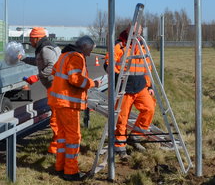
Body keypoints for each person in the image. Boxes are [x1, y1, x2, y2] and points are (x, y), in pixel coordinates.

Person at [49, 36, 99, 181]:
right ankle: (71, 171)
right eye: (90, 50)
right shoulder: (77, 57)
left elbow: (54, 72)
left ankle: (60, 167)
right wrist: (92, 83)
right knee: (73, 137)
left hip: (58, 101)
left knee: (63, 136)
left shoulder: (64, 55)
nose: (90, 53)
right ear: (84, 46)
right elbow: (75, 79)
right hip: (68, 104)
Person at [106, 25, 156, 156]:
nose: (136, 35)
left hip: (140, 86)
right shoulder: (118, 46)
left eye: (138, 33)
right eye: (133, 32)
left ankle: (135, 137)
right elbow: (109, 64)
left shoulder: (143, 46)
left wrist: (149, 86)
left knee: (149, 108)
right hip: (124, 88)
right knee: (122, 118)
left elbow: (147, 68)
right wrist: (118, 78)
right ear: (127, 31)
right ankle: (120, 147)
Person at [21, 27, 61, 154]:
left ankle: (57, 147)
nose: (30, 41)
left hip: (56, 87)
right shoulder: (45, 47)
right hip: (55, 86)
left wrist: (37, 77)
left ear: (37, 38)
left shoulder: (45, 49)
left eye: (31, 39)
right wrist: (23, 58)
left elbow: (52, 67)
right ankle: (59, 144)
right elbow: (39, 62)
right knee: (57, 117)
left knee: (56, 118)